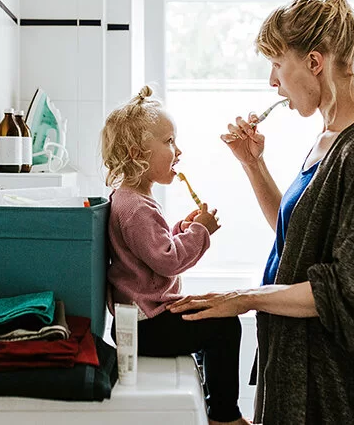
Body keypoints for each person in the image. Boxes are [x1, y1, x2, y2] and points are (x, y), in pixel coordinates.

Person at [168, 0, 354, 424]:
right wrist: (253, 165)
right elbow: (297, 239)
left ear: (315, 62)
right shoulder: (328, 139)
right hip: (297, 363)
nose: (273, 82)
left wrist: (245, 297)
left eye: (277, 64)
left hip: (339, 389)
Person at [100, 85, 251, 425]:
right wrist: (200, 232)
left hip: (143, 322)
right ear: (137, 153)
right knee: (225, 327)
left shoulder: (130, 200)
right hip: (147, 326)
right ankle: (224, 416)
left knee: (212, 317)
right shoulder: (136, 207)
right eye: (169, 142)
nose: (178, 150)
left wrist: (181, 228)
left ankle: (214, 401)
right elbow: (167, 260)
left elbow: (150, 249)